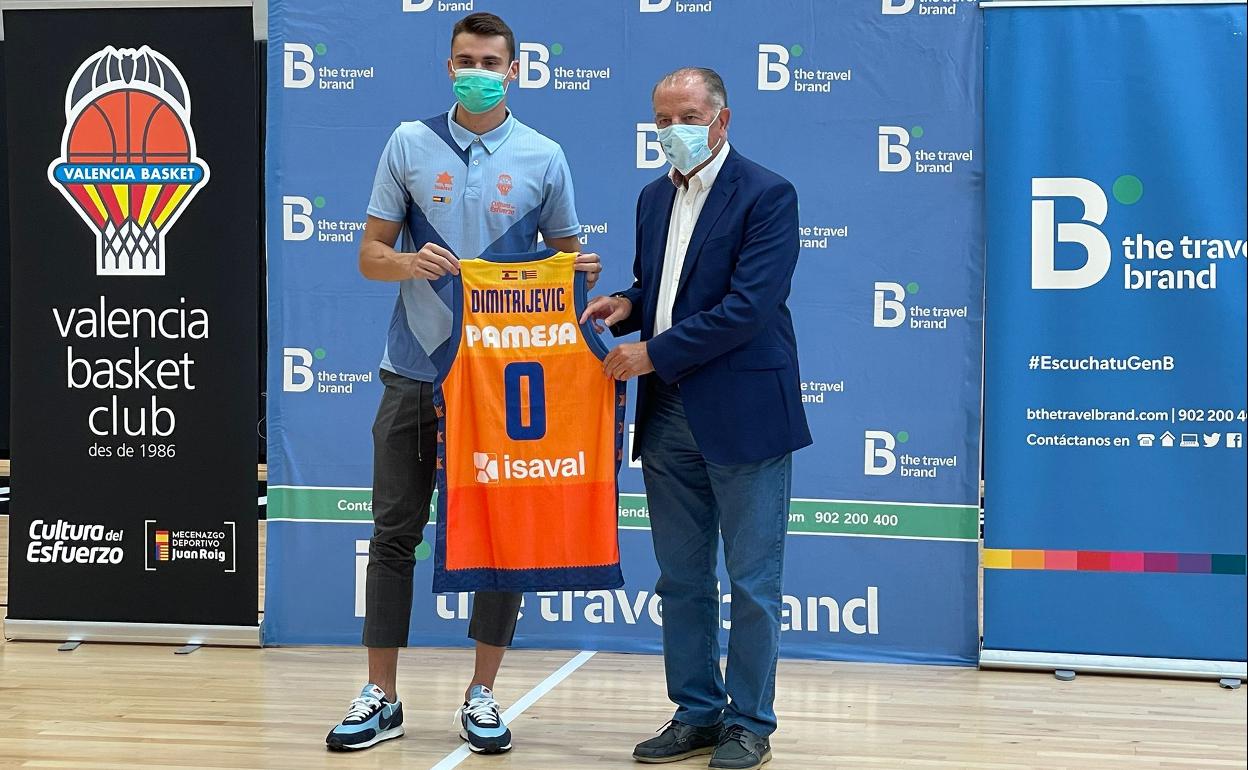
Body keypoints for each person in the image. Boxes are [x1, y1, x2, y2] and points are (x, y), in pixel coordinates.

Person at [326, 11, 601, 755]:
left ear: (515, 71)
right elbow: (369, 254)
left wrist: (580, 273)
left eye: (490, 60)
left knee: (502, 540)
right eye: (464, 59)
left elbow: (571, 261)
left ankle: (483, 694)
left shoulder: (545, 155)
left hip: (502, 386)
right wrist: (407, 263)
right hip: (415, 369)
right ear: (448, 66)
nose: (476, 69)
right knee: (393, 534)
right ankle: (380, 695)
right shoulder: (409, 143)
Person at [581, 67, 811, 770]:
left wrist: (652, 352)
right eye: (661, 118)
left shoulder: (768, 194)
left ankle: (750, 724)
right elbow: (665, 286)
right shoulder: (653, 197)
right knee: (680, 579)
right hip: (669, 416)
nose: (671, 130)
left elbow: (747, 306)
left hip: (742, 411)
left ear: (721, 119)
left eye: (684, 115)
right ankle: (697, 712)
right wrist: (626, 301)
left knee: (752, 582)